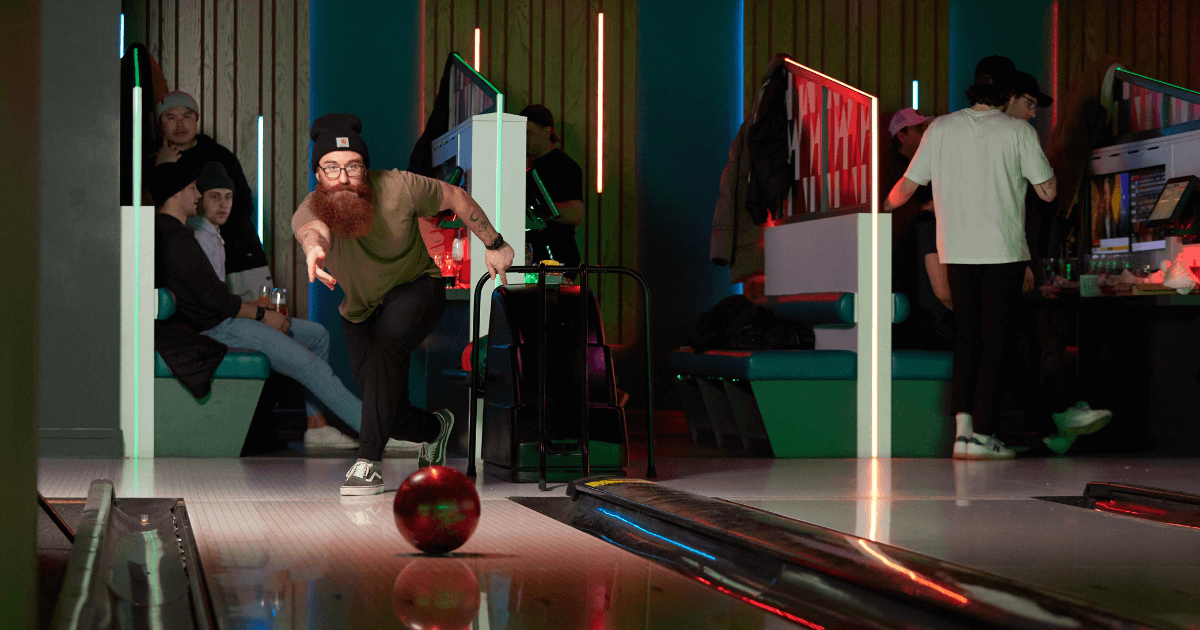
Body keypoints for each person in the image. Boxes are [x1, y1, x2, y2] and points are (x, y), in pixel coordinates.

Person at [292, 113, 515, 495]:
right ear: (318, 174)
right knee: (386, 411)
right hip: (361, 311)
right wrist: (313, 249)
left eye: (353, 167)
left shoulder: (399, 185)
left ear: (366, 168)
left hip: (417, 288)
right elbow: (314, 232)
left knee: (384, 350)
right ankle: (435, 428)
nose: (343, 177)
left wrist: (494, 244)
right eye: (331, 168)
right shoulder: (311, 207)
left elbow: (454, 196)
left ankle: (367, 465)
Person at [884, 57, 1061, 460]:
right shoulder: (1018, 132)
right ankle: (985, 434)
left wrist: (877, 209)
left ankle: (963, 434)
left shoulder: (941, 128)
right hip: (1002, 252)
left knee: (967, 340)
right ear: (1008, 93)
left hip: (956, 251)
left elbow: (905, 189)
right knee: (995, 342)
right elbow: (1047, 192)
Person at [153, 161, 364, 451]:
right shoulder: (175, 237)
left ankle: (317, 427)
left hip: (222, 320)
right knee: (309, 366)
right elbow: (215, 300)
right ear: (176, 193)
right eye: (193, 189)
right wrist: (263, 315)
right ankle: (377, 432)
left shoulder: (178, 233)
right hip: (218, 328)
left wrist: (254, 311)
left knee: (316, 335)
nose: (198, 195)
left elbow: (210, 294)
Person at [150, 90, 272, 300]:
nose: (180, 125)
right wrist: (161, 167)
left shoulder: (219, 155)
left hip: (237, 252)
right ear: (160, 123)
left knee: (261, 315)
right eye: (171, 117)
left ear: (196, 119)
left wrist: (214, 233)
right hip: (181, 258)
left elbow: (243, 203)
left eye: (187, 116)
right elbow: (144, 207)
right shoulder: (150, 157)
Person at [519, 104, 583, 273]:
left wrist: (540, 210)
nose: (524, 139)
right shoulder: (527, 163)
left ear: (547, 132)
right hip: (535, 258)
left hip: (557, 257)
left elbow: (575, 213)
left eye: (528, 133)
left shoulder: (565, 166)